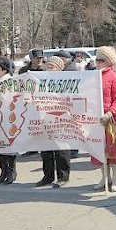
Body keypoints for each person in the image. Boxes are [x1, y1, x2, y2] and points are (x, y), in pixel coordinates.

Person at [92, 46, 116, 191]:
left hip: (113, 120)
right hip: (97, 120)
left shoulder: (115, 77)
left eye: (101, 60)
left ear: (108, 61)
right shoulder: (93, 77)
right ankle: (104, 177)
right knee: (100, 150)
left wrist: (110, 113)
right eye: (96, 59)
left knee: (115, 151)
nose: (97, 63)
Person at [35, 56, 72, 187]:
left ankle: (63, 177)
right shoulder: (42, 81)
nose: (49, 69)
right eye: (48, 66)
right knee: (45, 149)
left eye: (52, 67)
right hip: (44, 118)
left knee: (61, 149)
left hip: (60, 118)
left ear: (60, 68)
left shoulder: (65, 82)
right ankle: (48, 176)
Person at [0, 57, 18, 184]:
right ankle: (3, 171)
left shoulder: (9, 82)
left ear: (4, 70)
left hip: (7, 118)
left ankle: (12, 171)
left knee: (9, 147)